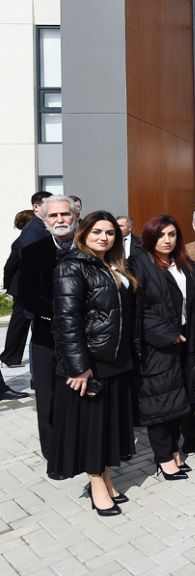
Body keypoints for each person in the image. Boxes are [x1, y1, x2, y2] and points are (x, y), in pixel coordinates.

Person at [49, 211, 137, 516]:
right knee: (93, 429)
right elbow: (66, 320)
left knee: (107, 428)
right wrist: (78, 366)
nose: (104, 237)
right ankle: (97, 485)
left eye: (110, 232)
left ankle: (107, 479)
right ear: (84, 233)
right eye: (97, 231)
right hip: (91, 364)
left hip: (116, 361)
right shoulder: (72, 266)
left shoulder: (113, 265)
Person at [128, 215, 195, 480]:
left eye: (172, 234)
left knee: (178, 401)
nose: (167, 240)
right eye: (160, 235)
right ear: (150, 238)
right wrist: (168, 335)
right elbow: (139, 309)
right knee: (159, 403)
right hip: (157, 345)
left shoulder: (185, 263)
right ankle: (163, 458)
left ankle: (174, 451)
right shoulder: (140, 263)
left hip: (185, 341)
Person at [17, 196, 79, 459]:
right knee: (48, 396)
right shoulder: (33, 251)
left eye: (65, 214)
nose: (60, 220)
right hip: (47, 335)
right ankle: (53, 453)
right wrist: (59, 313)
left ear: (76, 216)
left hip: (85, 336)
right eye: (53, 216)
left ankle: (84, 446)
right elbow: (25, 294)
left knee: (83, 394)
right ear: (44, 221)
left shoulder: (90, 247)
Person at [1, 210, 37, 368]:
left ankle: (11, 357)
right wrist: (8, 286)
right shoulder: (22, 241)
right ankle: (9, 357)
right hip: (22, 289)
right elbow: (10, 266)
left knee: (22, 323)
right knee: (19, 323)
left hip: (29, 288)